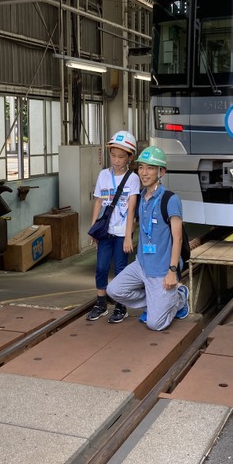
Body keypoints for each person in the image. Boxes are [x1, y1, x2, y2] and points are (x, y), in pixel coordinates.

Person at [106, 146, 189, 331]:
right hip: (142, 264)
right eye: (141, 167)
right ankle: (156, 303)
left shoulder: (170, 199)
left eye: (150, 168)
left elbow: (178, 239)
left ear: (161, 172)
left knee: (155, 324)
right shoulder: (141, 197)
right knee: (113, 290)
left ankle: (180, 298)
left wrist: (172, 270)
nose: (144, 173)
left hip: (162, 269)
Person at [86, 130, 141, 323]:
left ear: (129, 157)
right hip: (105, 232)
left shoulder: (133, 179)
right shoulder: (103, 175)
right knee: (101, 268)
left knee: (120, 270)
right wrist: (93, 229)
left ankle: (120, 306)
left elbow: (132, 209)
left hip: (121, 233)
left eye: (121, 157)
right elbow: (99, 203)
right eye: (113, 155)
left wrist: (128, 237)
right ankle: (101, 304)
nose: (116, 160)